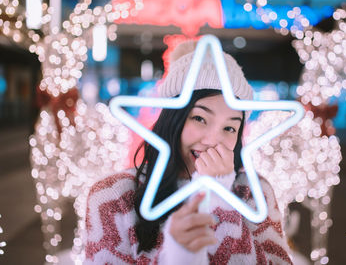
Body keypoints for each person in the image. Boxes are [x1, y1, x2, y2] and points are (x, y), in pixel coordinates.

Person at [84, 40, 292, 264]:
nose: (213, 140)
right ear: (172, 118)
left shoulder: (254, 194)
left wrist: (222, 200)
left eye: (230, 127)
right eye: (199, 118)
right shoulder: (113, 196)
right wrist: (178, 255)